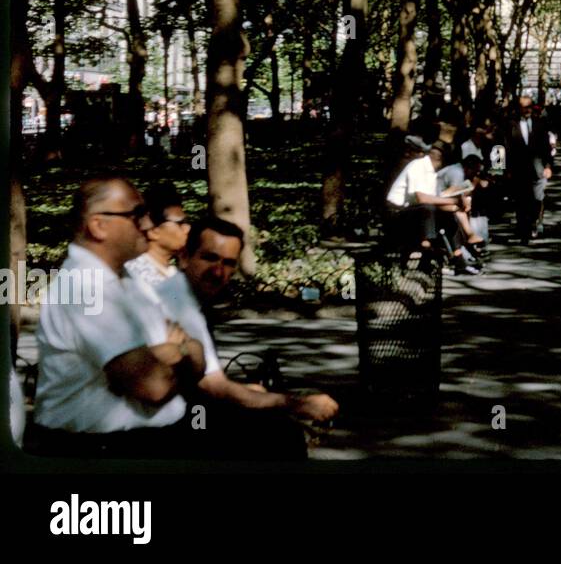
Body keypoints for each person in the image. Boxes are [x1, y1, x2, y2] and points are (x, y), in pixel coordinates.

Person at [26, 177, 207, 458]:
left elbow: (194, 353)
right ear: (99, 226)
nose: (147, 225)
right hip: (97, 451)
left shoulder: (130, 278)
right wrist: (181, 352)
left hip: (154, 440)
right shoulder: (85, 288)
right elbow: (154, 385)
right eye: (136, 215)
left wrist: (178, 350)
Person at [133, 217, 338, 460]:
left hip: (180, 410)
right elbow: (215, 388)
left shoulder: (185, 294)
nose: (218, 271)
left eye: (228, 263)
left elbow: (208, 381)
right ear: (185, 257)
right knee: (279, 433)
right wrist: (298, 404)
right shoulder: (179, 304)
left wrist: (250, 393)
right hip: (154, 428)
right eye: (209, 258)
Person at [386, 135, 482, 275]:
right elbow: (422, 198)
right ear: (440, 160)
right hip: (397, 211)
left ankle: (458, 257)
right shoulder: (418, 166)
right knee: (428, 209)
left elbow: (436, 200)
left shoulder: (431, 172)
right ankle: (427, 246)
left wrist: (457, 206)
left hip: (417, 211)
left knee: (449, 213)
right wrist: (453, 201)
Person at [506, 95, 553, 244]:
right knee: (521, 201)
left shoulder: (541, 124)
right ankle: (523, 230)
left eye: (529, 107)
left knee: (537, 200)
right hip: (517, 168)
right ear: (518, 108)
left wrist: (548, 166)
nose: (527, 110)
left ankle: (533, 222)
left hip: (537, 168)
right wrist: (499, 169)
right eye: (523, 107)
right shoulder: (509, 124)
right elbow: (500, 147)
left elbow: (547, 147)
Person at [124, 183, 190, 289]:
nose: (187, 228)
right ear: (153, 232)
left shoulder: (174, 273)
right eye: (180, 223)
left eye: (186, 222)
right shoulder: (132, 275)